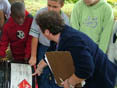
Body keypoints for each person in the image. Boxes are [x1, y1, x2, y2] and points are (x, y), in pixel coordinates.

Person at [33, 11, 117, 88]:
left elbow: (86, 69)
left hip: (101, 79)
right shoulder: (58, 34)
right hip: (91, 77)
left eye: (40, 29)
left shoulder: (73, 42)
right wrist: (40, 66)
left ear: (47, 32)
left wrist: (69, 82)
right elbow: (52, 51)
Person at [29, 0, 69, 87]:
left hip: (58, 50)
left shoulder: (65, 19)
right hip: (43, 47)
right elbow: (35, 36)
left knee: (57, 74)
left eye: (54, 7)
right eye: (49, 5)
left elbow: (64, 43)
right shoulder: (40, 14)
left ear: (61, 5)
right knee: (41, 73)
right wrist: (33, 56)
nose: (51, 9)